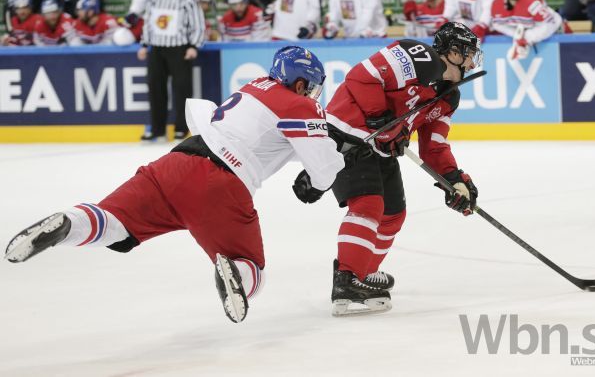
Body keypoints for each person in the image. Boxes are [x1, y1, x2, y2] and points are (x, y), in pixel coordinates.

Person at [4, 46, 345, 325]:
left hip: (175, 163)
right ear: (300, 84)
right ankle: (236, 274)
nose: (314, 94)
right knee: (253, 268)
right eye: (312, 86)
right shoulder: (302, 105)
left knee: (115, 225)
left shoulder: (254, 86)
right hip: (223, 186)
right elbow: (324, 166)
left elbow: (273, 139)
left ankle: (69, 222)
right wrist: (315, 185)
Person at [324, 22, 482, 316]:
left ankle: (364, 272)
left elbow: (433, 146)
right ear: (452, 51)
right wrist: (379, 116)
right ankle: (346, 279)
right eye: (469, 53)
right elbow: (361, 77)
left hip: (379, 146)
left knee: (393, 212)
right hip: (346, 133)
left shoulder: (449, 96)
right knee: (368, 204)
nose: (473, 61)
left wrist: (455, 179)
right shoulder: (416, 54)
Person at [137, 0, 205, 141]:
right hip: (157, 49)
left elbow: (198, 23)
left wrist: (193, 46)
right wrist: (144, 44)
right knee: (156, 89)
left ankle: (181, 128)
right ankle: (158, 130)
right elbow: (148, 22)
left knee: (182, 89)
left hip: (179, 49)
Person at [490, 0, 562, 60]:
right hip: (523, 26)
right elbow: (497, 25)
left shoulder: (532, 2)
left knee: (537, 32)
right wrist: (517, 36)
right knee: (498, 26)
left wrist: (526, 38)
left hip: (548, 23)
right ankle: (520, 44)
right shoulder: (497, 3)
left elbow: (549, 23)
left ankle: (522, 45)